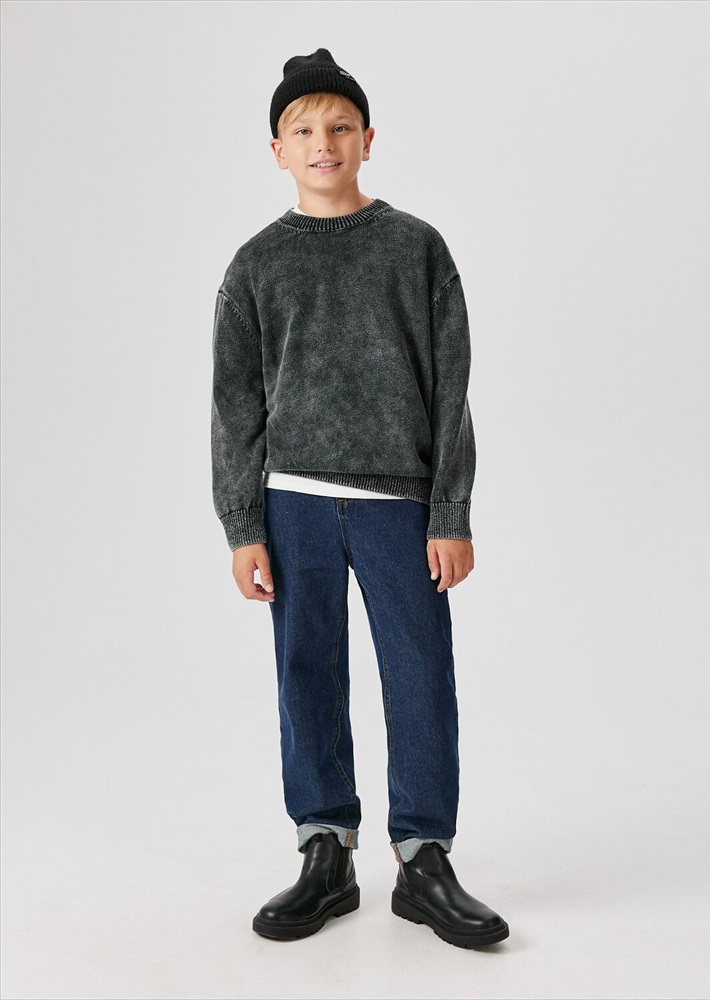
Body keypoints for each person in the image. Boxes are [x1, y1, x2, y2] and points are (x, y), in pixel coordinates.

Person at [211, 47, 510, 949]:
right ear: (276, 151)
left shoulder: (415, 248)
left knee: (419, 671)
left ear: (368, 139)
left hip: (398, 503)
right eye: (303, 129)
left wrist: (450, 513)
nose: (323, 142)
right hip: (292, 501)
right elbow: (235, 405)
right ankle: (324, 851)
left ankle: (423, 858)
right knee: (305, 671)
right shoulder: (256, 265)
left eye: (340, 126)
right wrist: (243, 526)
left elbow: (451, 388)